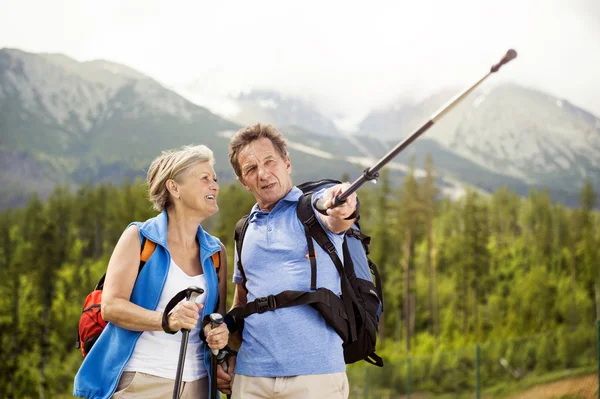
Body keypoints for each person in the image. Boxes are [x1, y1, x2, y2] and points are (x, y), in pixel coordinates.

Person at [73, 144, 230, 399]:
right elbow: (111, 307)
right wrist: (167, 320)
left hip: (200, 383)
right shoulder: (139, 238)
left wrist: (220, 333)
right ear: (174, 188)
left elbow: (217, 315)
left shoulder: (216, 252)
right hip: (142, 380)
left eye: (215, 179)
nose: (215, 186)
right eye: (204, 179)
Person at [220, 123, 358, 399]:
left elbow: (337, 213)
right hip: (250, 378)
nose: (263, 174)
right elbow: (241, 302)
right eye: (251, 169)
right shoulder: (243, 231)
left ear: (287, 163)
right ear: (243, 182)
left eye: (269, 161)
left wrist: (343, 200)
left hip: (315, 377)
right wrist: (230, 353)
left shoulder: (313, 212)